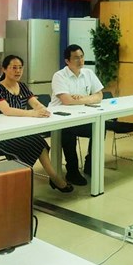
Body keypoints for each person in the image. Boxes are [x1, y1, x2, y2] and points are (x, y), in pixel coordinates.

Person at [0, 55, 72, 193]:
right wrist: (32, 113)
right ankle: (52, 178)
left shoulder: (22, 86)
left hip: (21, 130)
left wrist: (42, 110)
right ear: (4, 69)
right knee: (38, 143)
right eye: (14, 68)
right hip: (2, 134)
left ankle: (41, 177)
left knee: (39, 143)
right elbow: (7, 110)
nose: (18, 71)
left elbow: (35, 103)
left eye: (20, 68)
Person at [50, 44, 103, 186]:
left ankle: (90, 164)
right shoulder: (59, 76)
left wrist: (82, 98)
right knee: (68, 130)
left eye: (81, 57)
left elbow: (99, 95)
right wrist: (89, 98)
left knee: (99, 127)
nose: (80, 60)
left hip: (80, 116)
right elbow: (66, 101)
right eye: (76, 58)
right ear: (67, 61)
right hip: (59, 119)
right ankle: (72, 171)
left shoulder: (88, 73)